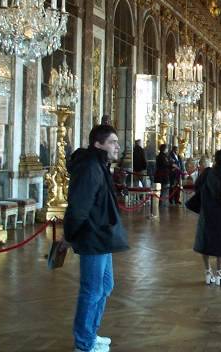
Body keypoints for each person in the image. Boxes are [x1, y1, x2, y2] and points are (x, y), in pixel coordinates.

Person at [63, 124, 129, 352]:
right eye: (112, 142)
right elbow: (79, 206)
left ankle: (90, 335)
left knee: (106, 285)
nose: (117, 146)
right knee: (91, 290)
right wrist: (69, 235)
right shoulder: (91, 167)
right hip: (93, 236)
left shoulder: (99, 164)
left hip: (102, 236)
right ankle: (83, 344)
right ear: (98, 144)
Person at [193, 149, 221, 286]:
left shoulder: (207, 173)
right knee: (220, 244)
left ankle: (208, 272)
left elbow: (197, 187)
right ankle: (219, 274)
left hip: (206, 213)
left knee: (205, 242)